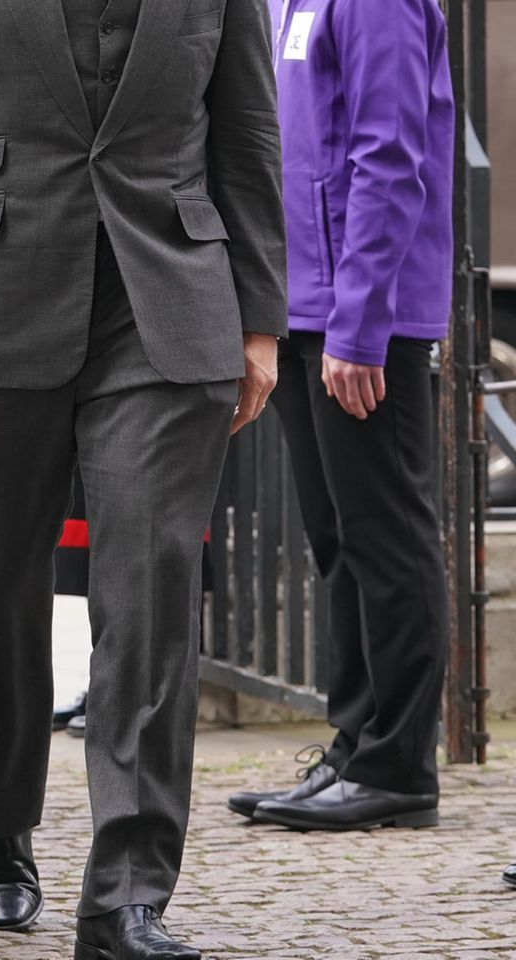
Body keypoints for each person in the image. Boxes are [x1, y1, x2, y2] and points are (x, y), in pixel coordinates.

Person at [0, 2, 287, 957]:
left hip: (167, 299)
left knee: (148, 589)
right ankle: (1, 823)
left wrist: (260, 316)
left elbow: (249, 124)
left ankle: (127, 893)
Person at [228, 0, 453, 833]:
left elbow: (389, 155)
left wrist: (360, 323)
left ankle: (399, 764)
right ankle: (355, 745)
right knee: (339, 540)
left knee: (386, 536)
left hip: (364, 319)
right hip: (303, 307)